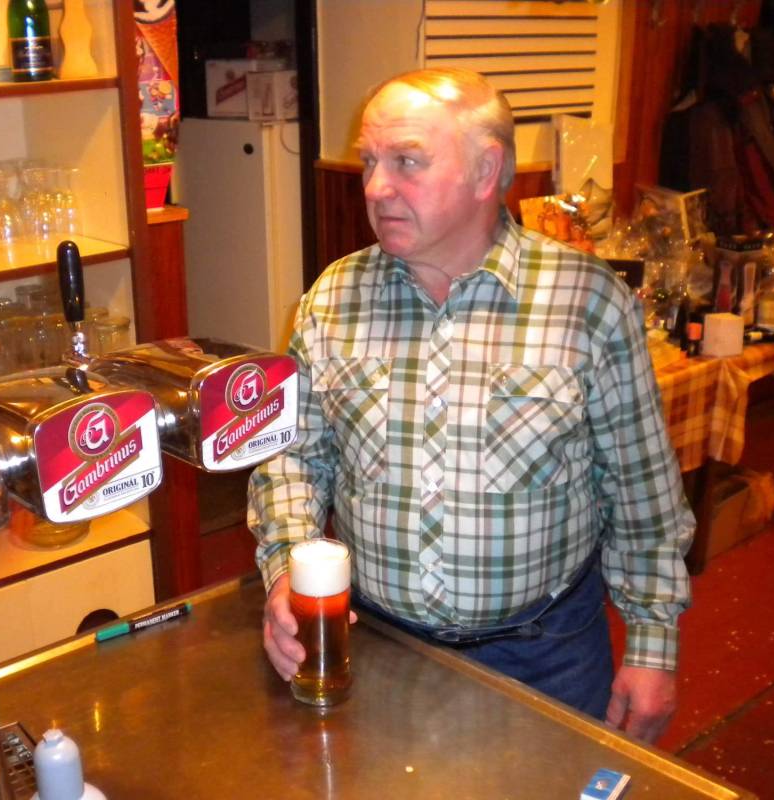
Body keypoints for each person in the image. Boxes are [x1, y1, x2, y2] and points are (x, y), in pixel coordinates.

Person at [248, 68, 694, 743]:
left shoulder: (587, 302)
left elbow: (642, 493)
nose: (375, 187)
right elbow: (294, 460)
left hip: (545, 654)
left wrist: (653, 647)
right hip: (378, 646)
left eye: (407, 161)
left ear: (487, 170)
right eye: (369, 162)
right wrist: (286, 571)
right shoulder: (334, 297)